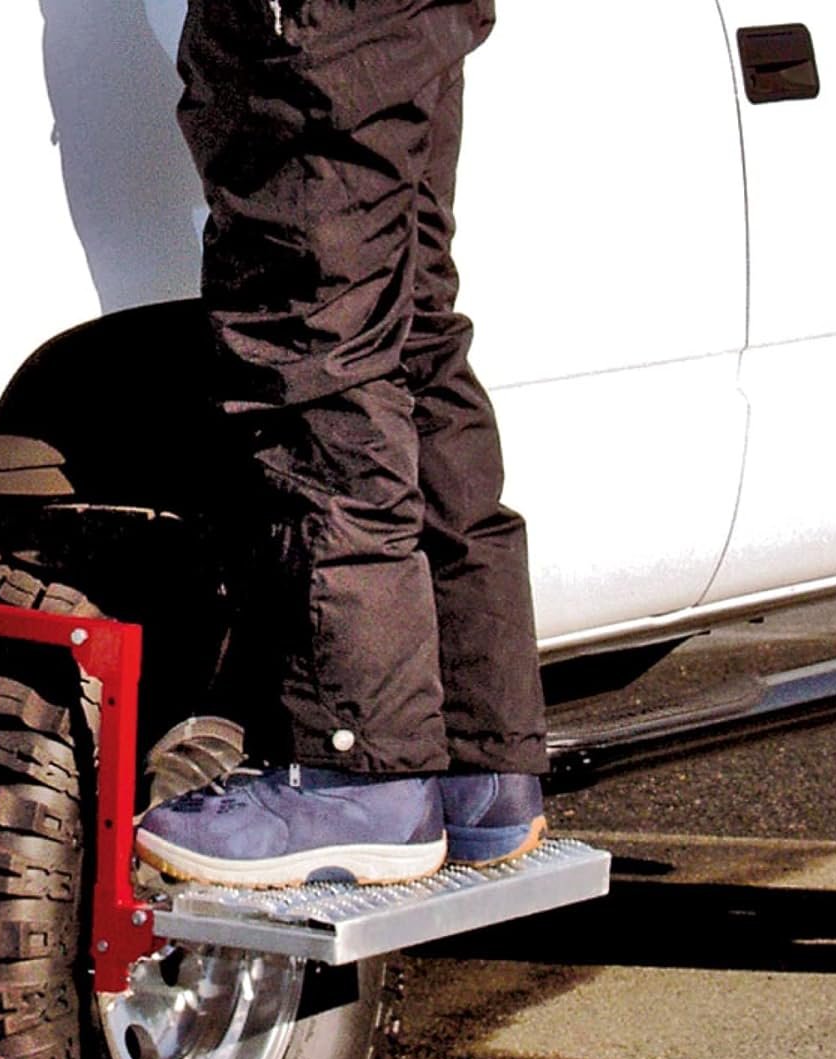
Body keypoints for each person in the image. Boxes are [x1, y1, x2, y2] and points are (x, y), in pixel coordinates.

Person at [136, 0, 547, 889]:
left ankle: (360, 773)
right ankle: (478, 764)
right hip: (391, 19)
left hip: (317, 23)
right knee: (410, 329)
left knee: (313, 340)